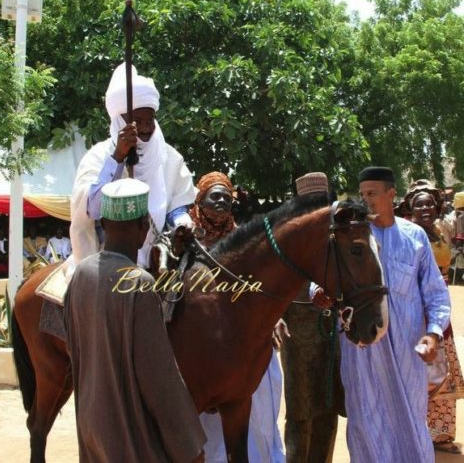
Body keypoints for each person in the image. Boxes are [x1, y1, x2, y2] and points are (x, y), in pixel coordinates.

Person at [63, 178, 206, 462]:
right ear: (144, 229)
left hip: (92, 423)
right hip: (129, 434)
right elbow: (158, 377)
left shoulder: (81, 273)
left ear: (103, 223)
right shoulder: (139, 283)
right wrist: (189, 446)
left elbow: (74, 347)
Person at [340, 166, 451, 463]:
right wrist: (317, 293)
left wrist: (433, 333)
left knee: (411, 423)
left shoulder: (414, 236)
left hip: (407, 353)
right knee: (365, 422)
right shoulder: (352, 236)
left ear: (391, 194)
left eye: (372, 194)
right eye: (362, 194)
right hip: (363, 353)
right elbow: (322, 279)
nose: (366, 201)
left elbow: (435, 292)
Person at [189, 172, 285, 462]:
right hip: (198, 341)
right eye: (213, 196)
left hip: (240, 339)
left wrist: (275, 318)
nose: (220, 202)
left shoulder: (243, 239)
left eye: (226, 198)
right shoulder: (186, 237)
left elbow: (260, 288)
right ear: (199, 199)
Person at [70, 63, 195, 269]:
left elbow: (177, 206)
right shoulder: (97, 157)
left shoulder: (170, 157)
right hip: (107, 260)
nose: (146, 127)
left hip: (161, 257)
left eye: (150, 120)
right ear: (120, 122)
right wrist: (118, 157)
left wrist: (182, 222)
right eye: (138, 120)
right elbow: (92, 209)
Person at [280, 172, 345, 463]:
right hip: (298, 333)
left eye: (323, 201)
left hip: (331, 331)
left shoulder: (338, 233)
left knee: (328, 406)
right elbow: (279, 278)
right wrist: (310, 288)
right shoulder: (287, 235)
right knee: (300, 410)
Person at [406, 183, 464, 454]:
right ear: (410, 208)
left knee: (443, 375)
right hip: (413, 310)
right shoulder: (405, 235)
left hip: (439, 310)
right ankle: (413, 432)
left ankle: (439, 436)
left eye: (429, 203)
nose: (425, 208)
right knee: (414, 372)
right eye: (419, 204)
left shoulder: (442, 231)